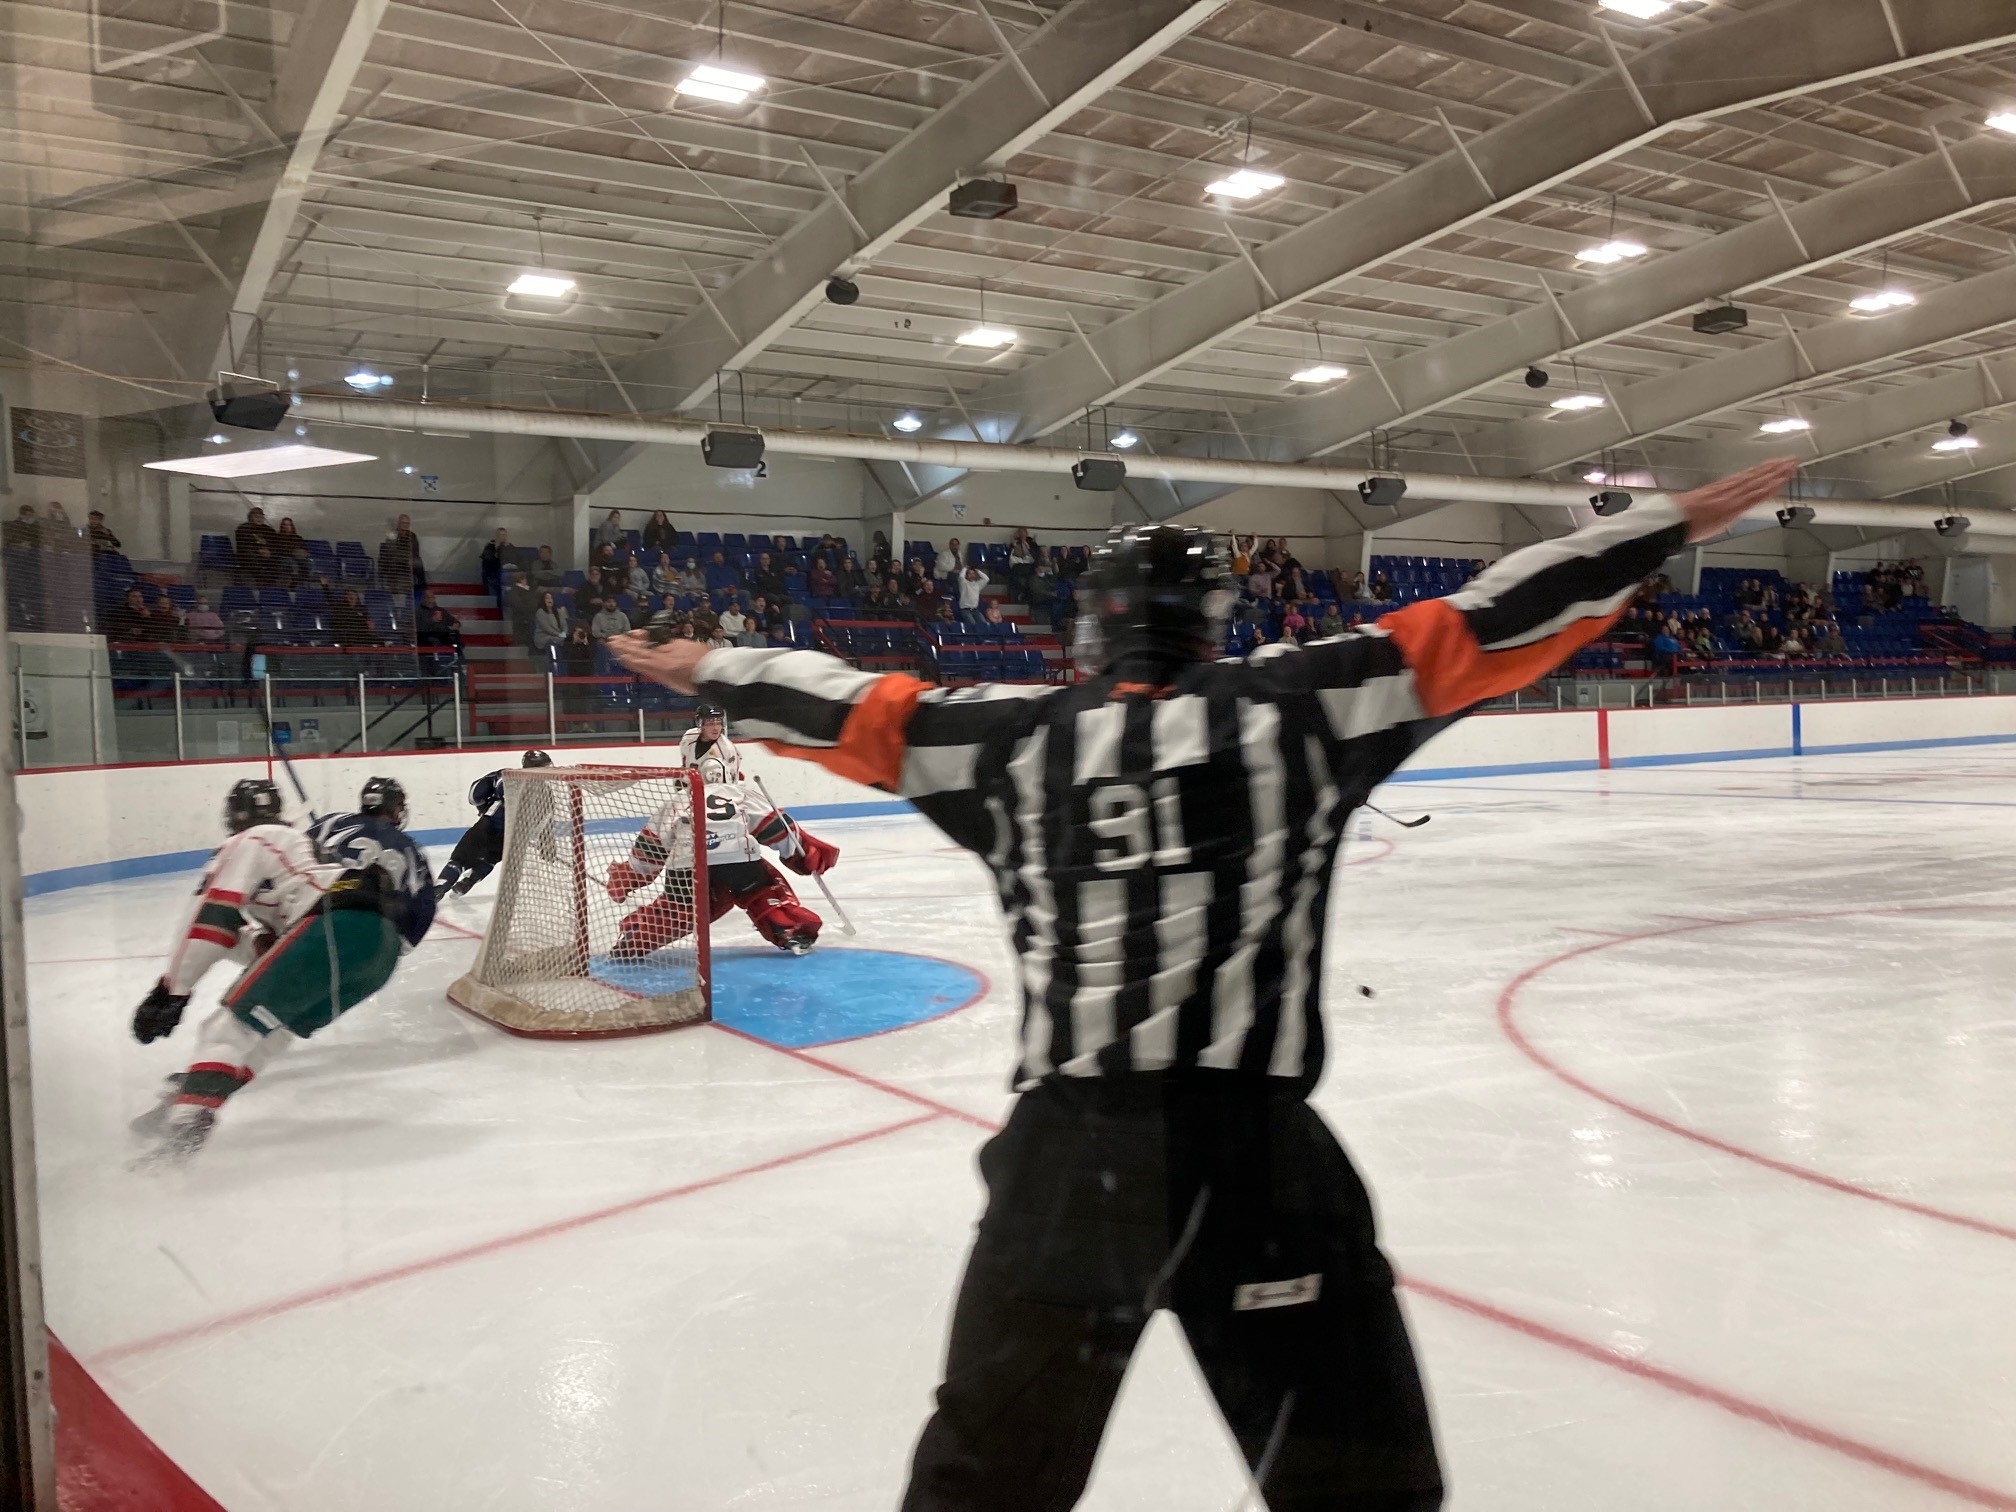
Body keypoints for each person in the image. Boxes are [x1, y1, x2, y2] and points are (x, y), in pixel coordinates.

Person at [611, 456, 1802, 1512]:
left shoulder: (1010, 741)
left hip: (1067, 1175)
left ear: (1088, 630)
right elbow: (1496, 617)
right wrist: (1663, 525)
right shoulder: (1298, 710)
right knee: (1362, 1485)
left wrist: (708, 665)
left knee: (984, 1482)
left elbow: (838, 701)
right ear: (1212, 625)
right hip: (1259, 1170)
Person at [128, 777, 434, 1162]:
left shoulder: (257, 838)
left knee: (226, 1030)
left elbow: (213, 916)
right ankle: (191, 1097)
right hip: (378, 957)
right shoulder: (305, 850)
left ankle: (176, 1147)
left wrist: (171, 991)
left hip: (336, 924)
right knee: (268, 1034)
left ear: (233, 817)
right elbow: (261, 936)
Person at [605, 754, 838, 958]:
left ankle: (634, 940)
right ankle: (790, 932)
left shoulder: (676, 802)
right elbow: (777, 827)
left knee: (676, 910)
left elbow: (649, 850)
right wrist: (800, 854)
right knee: (763, 890)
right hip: (737, 859)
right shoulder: (739, 793)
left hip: (686, 864)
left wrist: (628, 878)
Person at [434, 751, 554, 899]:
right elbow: (543, 821)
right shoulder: (547, 792)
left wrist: (483, 807)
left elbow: (474, 796)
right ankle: (470, 880)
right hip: (513, 837)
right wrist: (546, 840)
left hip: (487, 826)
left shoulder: (507, 776)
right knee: (489, 860)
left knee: (460, 859)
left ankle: (440, 887)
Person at [417, 590, 462, 657]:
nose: (430, 600)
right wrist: (432, 620)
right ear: (423, 599)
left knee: (454, 636)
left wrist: (456, 624)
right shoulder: (418, 611)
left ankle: (458, 656)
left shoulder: (440, 610)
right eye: (427, 597)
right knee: (429, 639)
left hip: (443, 634)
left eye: (432, 597)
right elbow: (417, 626)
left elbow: (453, 621)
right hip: (426, 635)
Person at [504, 568, 539, 648]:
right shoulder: (514, 591)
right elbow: (517, 604)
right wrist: (530, 608)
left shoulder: (530, 590)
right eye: (525, 578)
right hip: (521, 619)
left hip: (531, 616)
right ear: (521, 579)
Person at [481, 528, 512, 598]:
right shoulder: (489, 547)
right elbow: (488, 562)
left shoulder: (510, 546)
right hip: (494, 572)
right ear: (497, 536)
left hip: (509, 571)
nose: (503, 537)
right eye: (501, 535)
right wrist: (497, 549)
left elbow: (516, 559)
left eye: (505, 535)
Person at [957, 563, 988, 627]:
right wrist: (965, 569)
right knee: (972, 624)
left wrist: (978, 571)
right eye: (970, 574)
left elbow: (986, 579)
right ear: (966, 575)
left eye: (973, 574)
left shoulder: (977, 584)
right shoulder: (964, 584)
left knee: (984, 624)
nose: (972, 575)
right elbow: (961, 577)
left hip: (975, 610)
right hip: (965, 610)